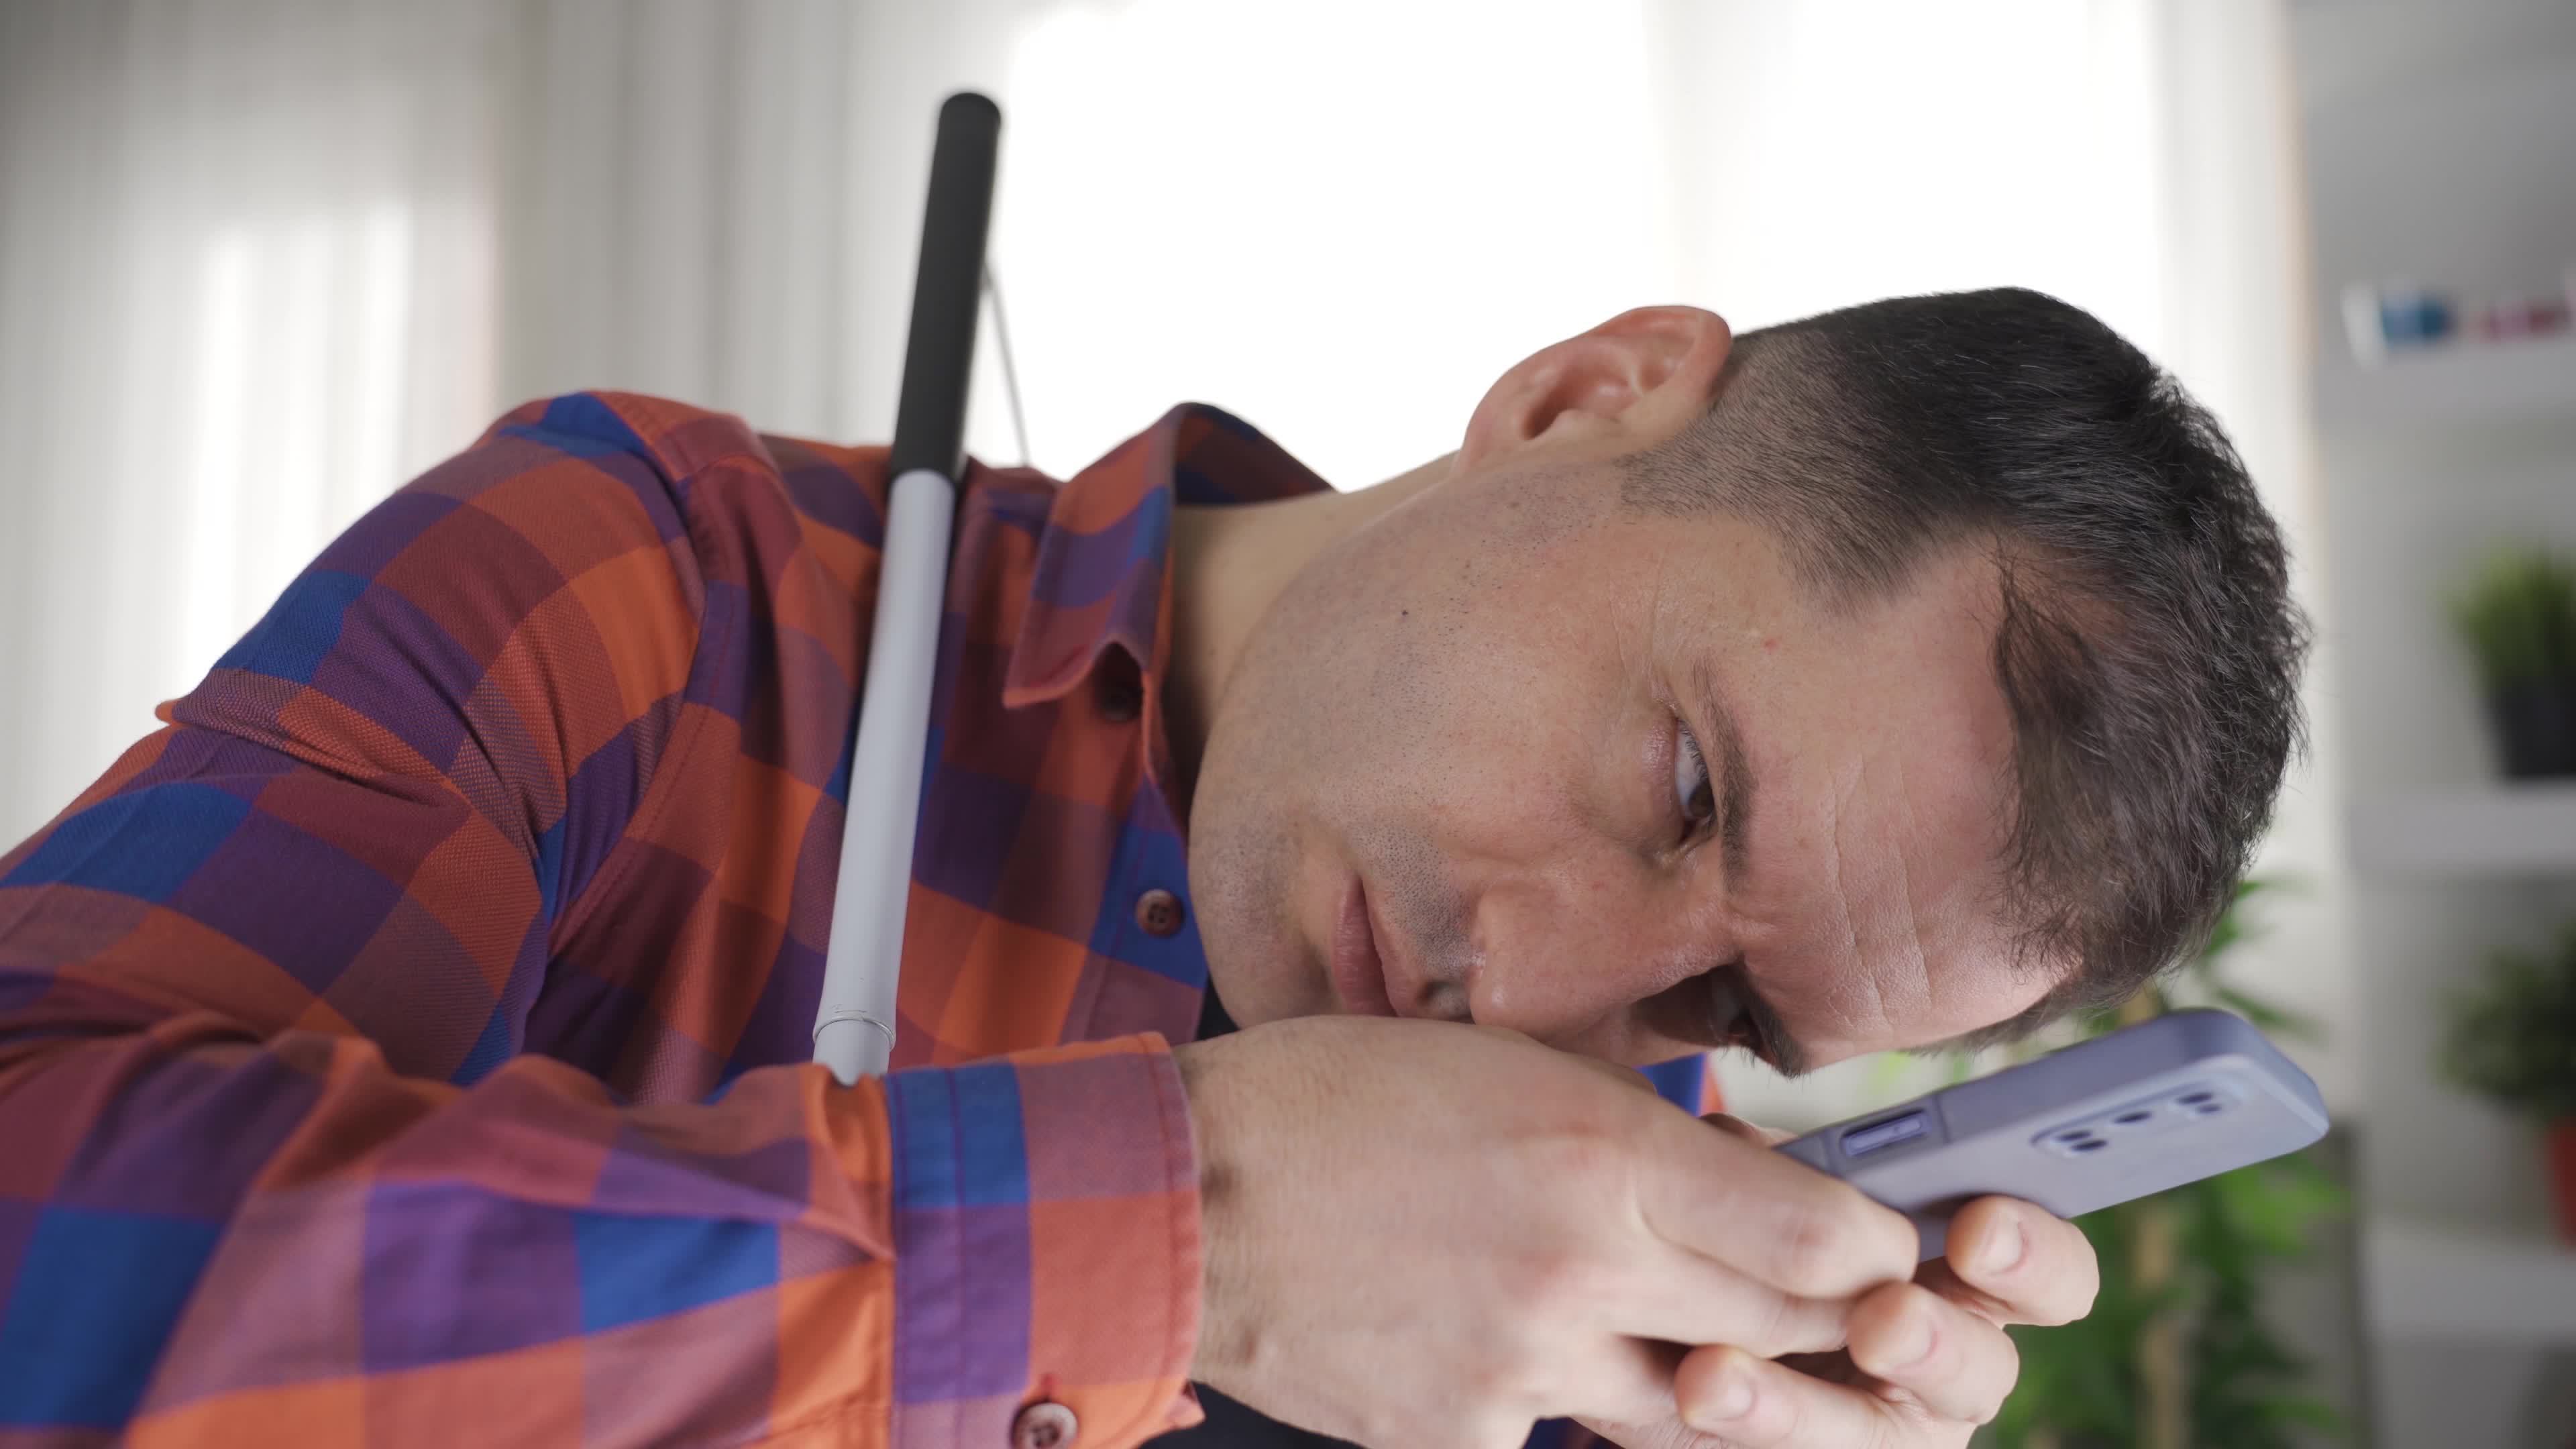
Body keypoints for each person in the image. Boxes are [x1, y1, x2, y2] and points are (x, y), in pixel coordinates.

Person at [0, 288, 2304, 1449]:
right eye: (1686, 790)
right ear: (1590, 394)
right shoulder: (656, 584)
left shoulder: (1605, 1244)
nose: (1532, 1008)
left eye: (1725, 1015)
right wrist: (1194, 1227)